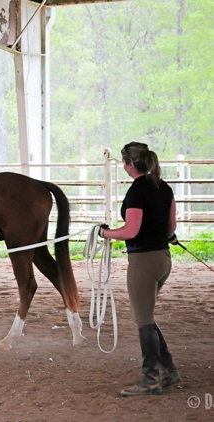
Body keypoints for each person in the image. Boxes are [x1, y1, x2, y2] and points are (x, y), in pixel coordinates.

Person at [99, 142, 181, 397]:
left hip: (143, 261)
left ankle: (150, 380)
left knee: (143, 320)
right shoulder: (164, 188)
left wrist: (105, 233)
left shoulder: (137, 191)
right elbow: (170, 228)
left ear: (130, 164)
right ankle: (168, 370)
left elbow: (131, 231)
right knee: (147, 316)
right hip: (163, 259)